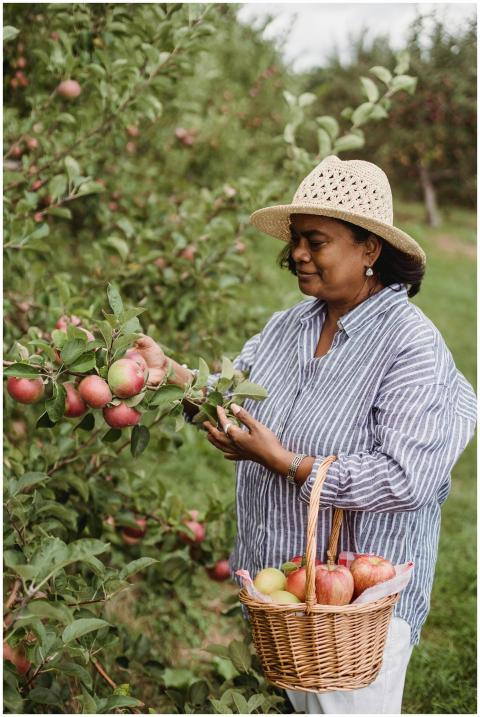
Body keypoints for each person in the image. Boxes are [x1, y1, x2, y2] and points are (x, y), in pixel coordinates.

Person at [134, 156, 476, 714]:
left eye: (315, 241)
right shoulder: (290, 324)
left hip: (355, 611)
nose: (297, 253)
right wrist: (168, 371)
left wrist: (286, 463)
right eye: (296, 240)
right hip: (283, 594)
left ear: (370, 249)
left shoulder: (409, 345)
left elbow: (407, 478)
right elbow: (232, 394)